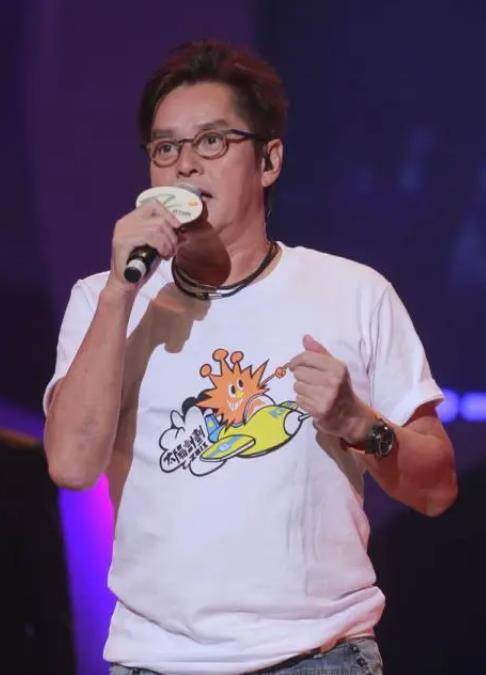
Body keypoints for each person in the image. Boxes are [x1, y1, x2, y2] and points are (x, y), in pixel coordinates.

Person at [43, 40, 458, 675]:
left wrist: (359, 423)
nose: (185, 165)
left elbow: (437, 489)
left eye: (211, 141)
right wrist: (122, 292)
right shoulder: (104, 300)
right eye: (165, 149)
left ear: (268, 160)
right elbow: (71, 465)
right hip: (156, 660)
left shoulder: (354, 293)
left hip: (320, 656)